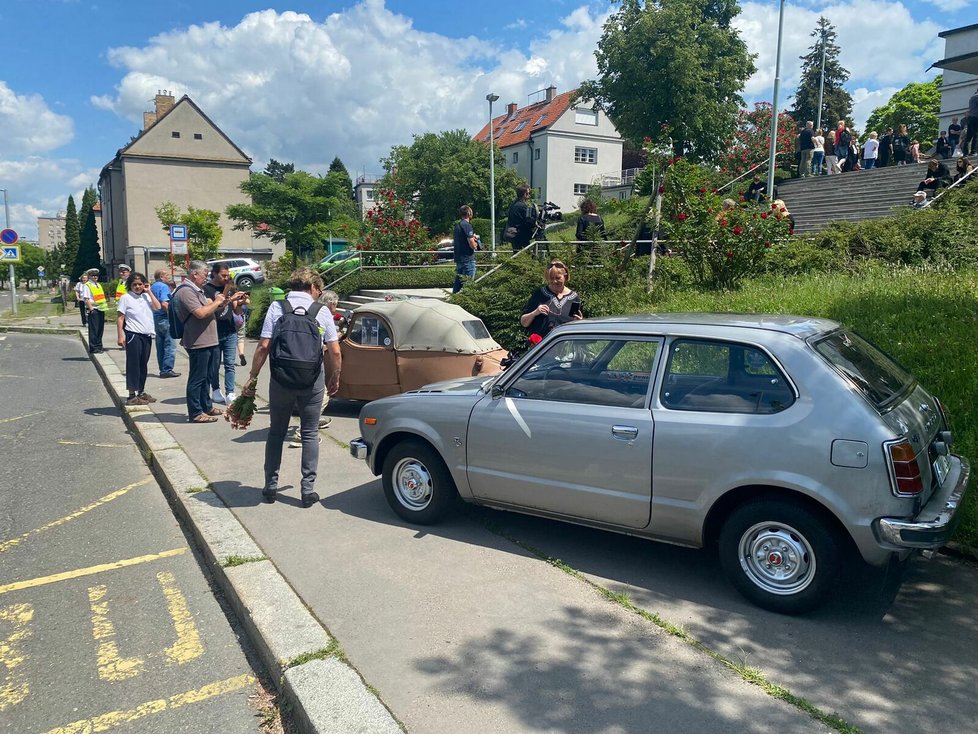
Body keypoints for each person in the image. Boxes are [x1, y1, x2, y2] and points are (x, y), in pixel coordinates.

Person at [242, 268, 341, 508]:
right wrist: (335, 377)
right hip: (312, 380)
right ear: (314, 288)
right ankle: (307, 491)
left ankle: (270, 487)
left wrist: (253, 377)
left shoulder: (278, 308)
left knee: (276, 432)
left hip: (281, 379)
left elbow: (264, 346)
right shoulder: (321, 311)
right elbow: (335, 351)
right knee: (309, 434)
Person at [172, 260, 228, 423]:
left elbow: (209, 308)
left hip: (209, 340)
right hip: (198, 341)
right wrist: (216, 301)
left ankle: (206, 406)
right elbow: (200, 313)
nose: (207, 277)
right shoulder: (186, 291)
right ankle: (195, 412)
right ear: (195, 274)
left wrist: (221, 303)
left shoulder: (198, 290)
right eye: (205, 274)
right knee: (197, 378)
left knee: (207, 377)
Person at [203, 262, 246, 403]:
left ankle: (230, 392)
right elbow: (214, 308)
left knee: (229, 363)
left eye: (228, 275)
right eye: (223, 275)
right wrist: (228, 295)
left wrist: (240, 303)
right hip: (214, 331)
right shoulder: (207, 289)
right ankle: (215, 389)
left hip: (229, 330)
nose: (226, 278)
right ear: (214, 274)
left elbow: (237, 312)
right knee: (214, 364)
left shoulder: (230, 288)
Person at [116, 271, 161, 406]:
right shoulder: (126, 298)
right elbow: (120, 317)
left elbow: (158, 307)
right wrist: (120, 335)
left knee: (143, 365)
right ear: (130, 285)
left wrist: (149, 292)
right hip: (133, 334)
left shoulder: (146, 297)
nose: (138, 287)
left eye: (140, 284)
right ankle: (131, 395)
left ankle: (141, 392)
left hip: (146, 335)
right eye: (135, 284)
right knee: (133, 365)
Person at [519, 260, 584, 341]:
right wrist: (535, 312)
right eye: (551, 278)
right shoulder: (540, 294)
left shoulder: (574, 298)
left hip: (564, 346)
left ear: (565, 277)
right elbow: (523, 322)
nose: (554, 281)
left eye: (558, 278)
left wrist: (579, 323)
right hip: (542, 346)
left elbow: (575, 324)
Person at [151, 269, 180, 378]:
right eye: (167, 275)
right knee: (170, 345)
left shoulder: (153, 286)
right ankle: (167, 369)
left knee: (160, 345)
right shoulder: (164, 287)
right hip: (165, 317)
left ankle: (162, 368)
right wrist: (172, 315)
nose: (169, 277)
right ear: (162, 276)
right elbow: (164, 303)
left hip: (156, 317)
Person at [451, 205, 479, 294]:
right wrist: (476, 242)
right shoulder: (467, 225)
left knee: (458, 284)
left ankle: (454, 300)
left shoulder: (457, 226)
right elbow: (472, 244)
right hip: (467, 259)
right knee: (469, 285)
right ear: (468, 213)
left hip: (459, 259)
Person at [506, 184, 537, 253]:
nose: (529, 195)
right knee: (524, 255)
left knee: (518, 254)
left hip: (514, 235)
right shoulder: (522, 206)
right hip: (520, 235)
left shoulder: (514, 204)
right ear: (524, 194)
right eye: (528, 193)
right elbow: (528, 221)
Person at [82, 267, 107, 353]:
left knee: (100, 329)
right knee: (94, 330)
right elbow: (86, 299)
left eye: (96, 275)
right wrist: (91, 309)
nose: (95, 277)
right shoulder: (87, 285)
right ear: (89, 276)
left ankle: (99, 346)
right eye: (93, 275)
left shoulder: (98, 285)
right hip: (94, 309)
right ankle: (94, 348)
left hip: (101, 309)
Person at [964, 87, 978, 156]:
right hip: (976, 117)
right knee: (976, 135)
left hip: (971, 118)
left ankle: (965, 153)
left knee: (968, 137)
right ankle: (973, 151)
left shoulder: (972, 97)